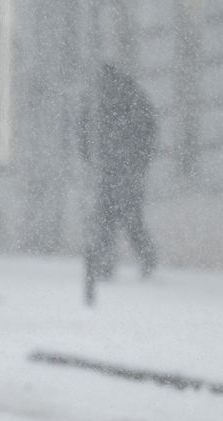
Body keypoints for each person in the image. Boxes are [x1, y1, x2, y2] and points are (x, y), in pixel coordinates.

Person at [82, 63, 159, 281]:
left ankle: (109, 264)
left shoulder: (99, 102)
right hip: (124, 173)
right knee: (128, 220)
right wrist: (138, 164)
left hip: (112, 172)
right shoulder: (133, 98)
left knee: (110, 220)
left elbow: (84, 134)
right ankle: (144, 259)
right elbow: (149, 134)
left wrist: (93, 159)